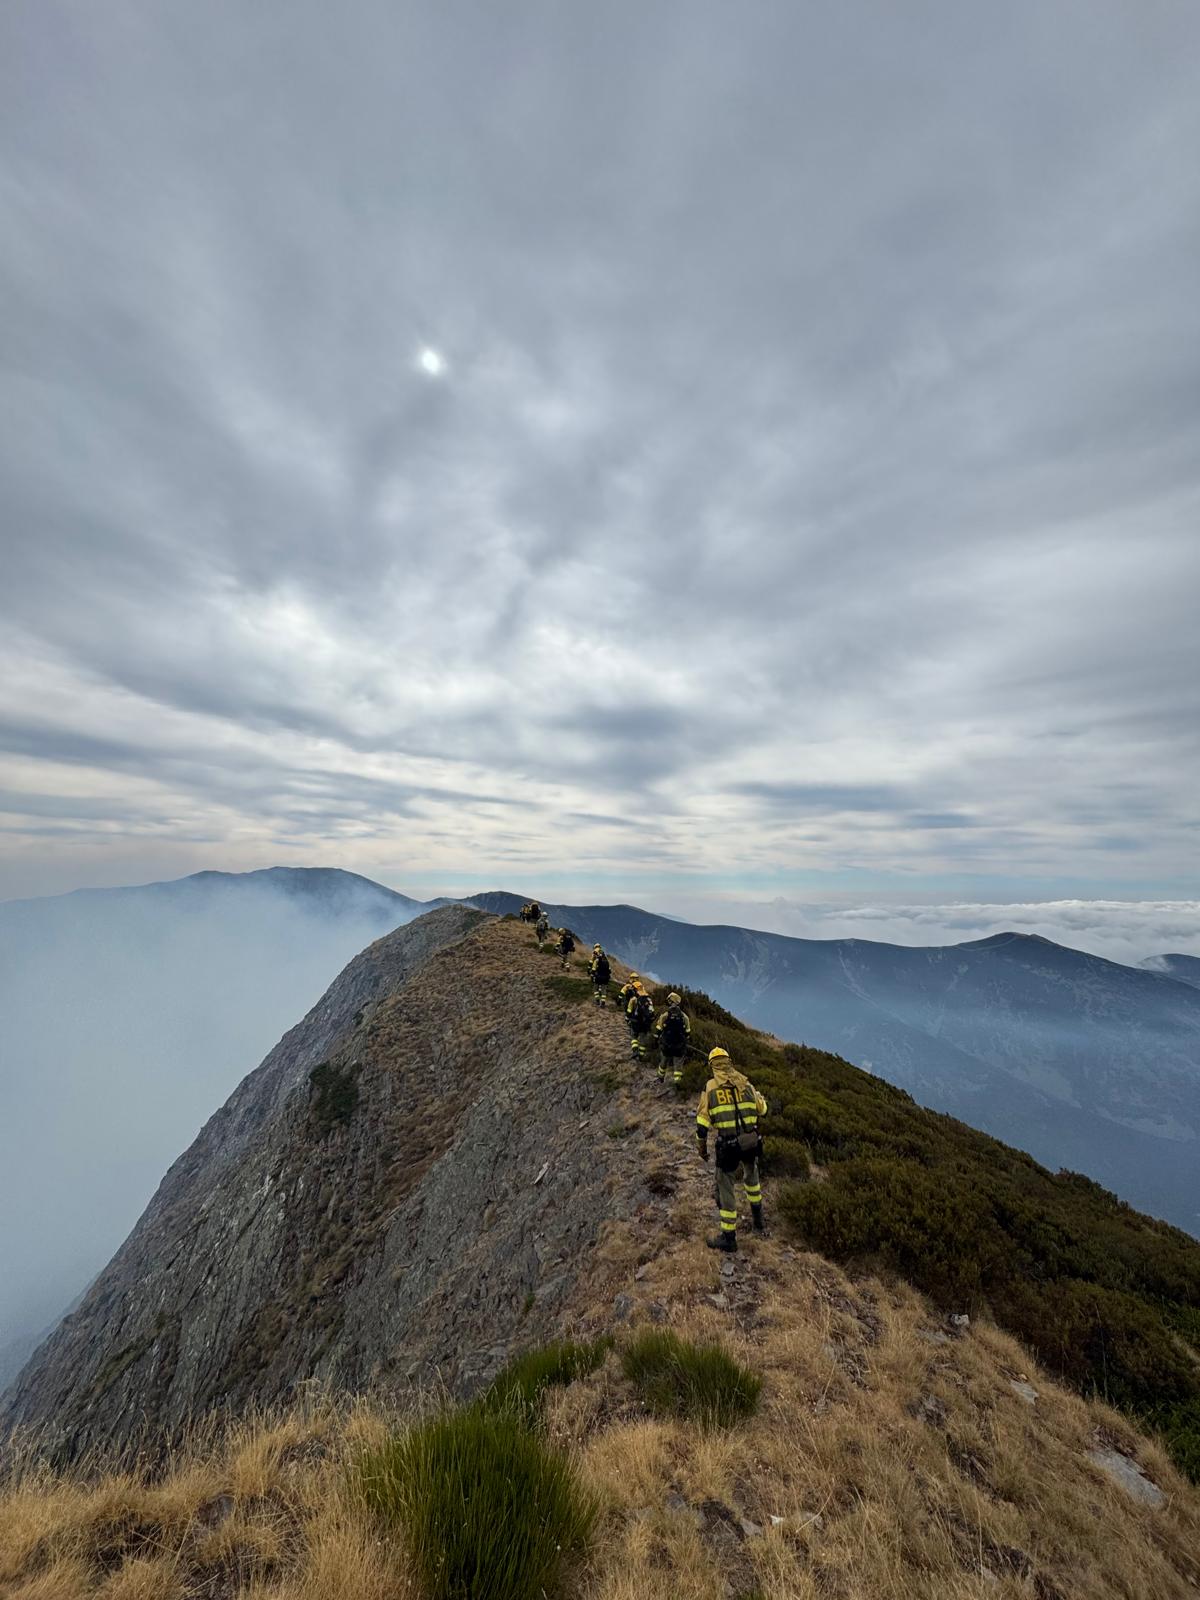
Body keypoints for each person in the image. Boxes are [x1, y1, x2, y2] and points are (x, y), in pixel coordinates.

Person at [695, 1047, 767, 1252]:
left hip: (728, 1147)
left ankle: (729, 1237)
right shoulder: (746, 1083)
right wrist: (759, 1097)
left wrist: (702, 1149)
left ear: (712, 1066)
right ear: (729, 1062)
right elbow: (763, 1110)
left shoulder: (710, 1088)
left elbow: (701, 1126)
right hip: (751, 1142)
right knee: (752, 1180)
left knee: (725, 1187)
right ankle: (758, 1221)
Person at [653, 992, 691, 1086]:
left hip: (666, 1045)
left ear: (671, 1001)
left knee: (663, 1062)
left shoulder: (665, 1015)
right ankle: (678, 1082)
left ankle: (660, 1078)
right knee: (678, 1066)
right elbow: (688, 1032)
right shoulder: (685, 1017)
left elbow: (658, 1029)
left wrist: (655, 1040)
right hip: (679, 1046)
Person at [627, 981, 655, 1060]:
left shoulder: (634, 999)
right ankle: (641, 1056)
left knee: (633, 1036)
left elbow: (629, 1011)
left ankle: (635, 1051)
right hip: (645, 1023)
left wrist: (628, 1018)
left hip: (636, 1021)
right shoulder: (649, 999)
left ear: (635, 989)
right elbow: (651, 1010)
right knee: (642, 1039)